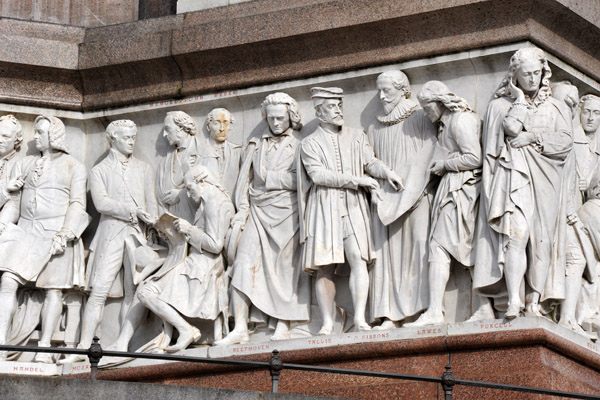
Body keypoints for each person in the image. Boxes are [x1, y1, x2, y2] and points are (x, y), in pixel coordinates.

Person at [473, 48, 573, 319]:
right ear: (514, 75)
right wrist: (518, 100)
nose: (532, 79)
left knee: (541, 242)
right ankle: (514, 299)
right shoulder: (500, 105)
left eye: (537, 73)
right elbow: (510, 129)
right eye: (525, 74)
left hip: (547, 181)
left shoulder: (557, 107)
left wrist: (534, 139)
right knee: (517, 234)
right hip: (513, 179)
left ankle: (534, 301)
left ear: (544, 74)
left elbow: (565, 141)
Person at [298, 87, 403, 334]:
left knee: (358, 257)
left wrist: (387, 172)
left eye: (340, 105)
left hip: (353, 205)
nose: (338, 110)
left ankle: (360, 320)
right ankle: (326, 322)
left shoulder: (357, 135)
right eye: (332, 106)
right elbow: (317, 175)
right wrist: (358, 181)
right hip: (325, 206)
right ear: (319, 112)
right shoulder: (309, 143)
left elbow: (370, 162)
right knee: (325, 265)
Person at [216, 93, 310, 345]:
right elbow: (244, 183)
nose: (276, 123)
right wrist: (241, 212)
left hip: (288, 213)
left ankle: (283, 322)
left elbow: (304, 180)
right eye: (271, 118)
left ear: (291, 116)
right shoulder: (255, 144)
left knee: (285, 270)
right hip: (257, 211)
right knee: (243, 264)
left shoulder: (302, 143)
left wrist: (271, 178)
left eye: (281, 118)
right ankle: (241, 328)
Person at [60, 119, 157, 364]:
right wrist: (133, 211)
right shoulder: (99, 170)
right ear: (112, 139)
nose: (132, 142)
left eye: (134, 137)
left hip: (138, 235)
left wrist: (154, 224)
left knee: (133, 291)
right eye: (127, 137)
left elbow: (151, 203)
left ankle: (125, 345)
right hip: (111, 234)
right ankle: (84, 347)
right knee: (98, 291)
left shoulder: (144, 168)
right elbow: (101, 204)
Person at [0, 116, 88, 362]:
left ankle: (45, 348)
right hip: (26, 233)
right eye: (36, 132)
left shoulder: (74, 166)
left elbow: (78, 204)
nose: (35, 136)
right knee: (8, 281)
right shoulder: (25, 164)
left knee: (53, 290)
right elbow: (14, 203)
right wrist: (3, 224)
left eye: (40, 132)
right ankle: (2, 344)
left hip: (56, 233)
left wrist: (66, 233)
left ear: (55, 136)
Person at [405, 81, 483, 326]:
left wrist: (444, 164)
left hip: (461, 190)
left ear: (439, 102)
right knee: (463, 248)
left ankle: (436, 312)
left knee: (441, 247)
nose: (426, 112)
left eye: (427, 107)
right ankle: (484, 307)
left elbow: (474, 157)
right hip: (452, 189)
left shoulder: (461, 121)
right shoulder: (446, 124)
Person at [131, 165, 234, 352]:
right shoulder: (207, 200)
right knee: (146, 290)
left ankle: (185, 330)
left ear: (202, 182)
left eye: (189, 187)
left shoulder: (216, 203)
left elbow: (216, 244)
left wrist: (189, 230)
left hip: (203, 267)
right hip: (194, 262)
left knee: (146, 292)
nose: (187, 192)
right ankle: (182, 330)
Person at [366, 70, 438, 330]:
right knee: (386, 255)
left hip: (417, 193)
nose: (382, 96)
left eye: (388, 90)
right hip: (385, 199)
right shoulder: (374, 126)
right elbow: (369, 161)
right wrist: (375, 186)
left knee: (419, 247)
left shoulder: (419, 116)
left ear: (403, 90)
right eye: (379, 91)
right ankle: (389, 315)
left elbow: (433, 150)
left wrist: (414, 183)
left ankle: (422, 309)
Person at [565, 94, 600, 334]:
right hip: (570, 213)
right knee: (579, 261)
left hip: (588, 211)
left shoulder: (597, 147)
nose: (590, 118)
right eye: (586, 111)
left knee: (591, 265)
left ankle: (586, 315)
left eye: (596, 113)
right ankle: (574, 316)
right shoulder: (570, 139)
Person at [155, 111, 203, 223]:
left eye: (168, 129)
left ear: (181, 128)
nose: (164, 135)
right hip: (171, 228)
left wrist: (180, 194)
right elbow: (161, 196)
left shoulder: (203, 152)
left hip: (196, 224)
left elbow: (209, 191)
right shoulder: (164, 163)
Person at [197, 108, 242, 197]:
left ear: (231, 126)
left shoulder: (237, 151)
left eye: (226, 123)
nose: (222, 128)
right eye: (217, 123)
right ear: (208, 126)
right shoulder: (198, 151)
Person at [0, 115, 25, 209]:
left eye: (6, 137)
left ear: (16, 139)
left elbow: (14, 206)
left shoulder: (21, 164)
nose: (0, 140)